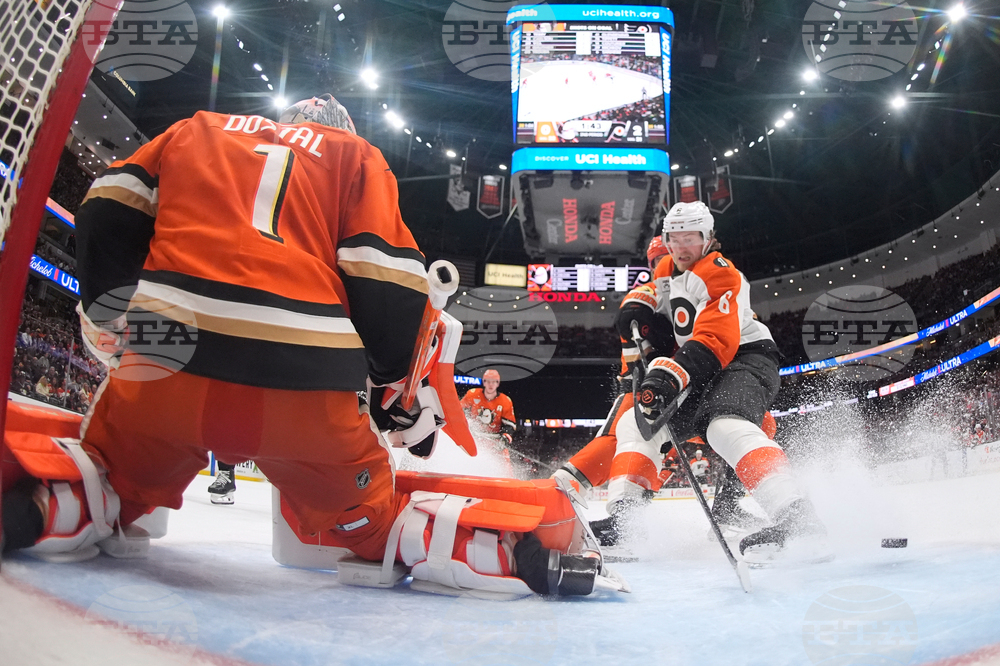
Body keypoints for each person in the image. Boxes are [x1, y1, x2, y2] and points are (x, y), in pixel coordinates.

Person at [0, 95, 627, 598]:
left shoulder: (198, 128)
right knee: (380, 525)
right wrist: (387, 387)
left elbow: (107, 204)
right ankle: (519, 554)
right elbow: (384, 282)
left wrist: (108, 310)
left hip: (168, 366)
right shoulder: (354, 157)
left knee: (111, 480)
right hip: (301, 384)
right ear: (344, 130)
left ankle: (41, 507)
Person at [622, 201, 828, 564]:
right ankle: (625, 522)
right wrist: (638, 305)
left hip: (743, 358)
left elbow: (715, 341)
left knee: (724, 424)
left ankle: (798, 519)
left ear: (709, 239)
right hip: (699, 367)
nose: (682, 247)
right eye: (674, 238)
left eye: (691, 238)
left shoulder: (721, 274)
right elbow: (658, 292)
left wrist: (669, 373)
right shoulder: (668, 265)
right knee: (638, 425)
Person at [460, 369, 517, 474]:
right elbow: (459, 413)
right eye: (488, 381)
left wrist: (504, 439)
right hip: (474, 439)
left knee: (506, 471)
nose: (491, 384)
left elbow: (510, 425)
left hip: (495, 441)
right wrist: (466, 425)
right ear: (484, 382)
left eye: (494, 381)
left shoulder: (505, 401)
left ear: (498, 383)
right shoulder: (472, 394)